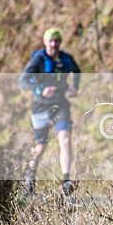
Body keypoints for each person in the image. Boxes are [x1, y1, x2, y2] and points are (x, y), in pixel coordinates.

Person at [18, 27, 81, 196]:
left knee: (65, 139)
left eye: (56, 41)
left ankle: (66, 180)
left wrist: (74, 87)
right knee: (40, 146)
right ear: (45, 42)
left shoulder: (66, 58)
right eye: (50, 41)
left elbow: (77, 71)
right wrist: (40, 90)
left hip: (60, 105)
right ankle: (29, 178)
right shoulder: (38, 60)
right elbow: (23, 81)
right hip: (41, 107)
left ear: (60, 42)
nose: (54, 44)